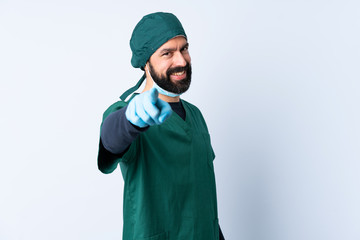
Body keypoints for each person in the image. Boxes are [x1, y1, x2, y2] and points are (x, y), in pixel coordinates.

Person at [97, 12, 225, 240]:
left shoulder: (196, 116)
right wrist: (129, 121)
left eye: (184, 48)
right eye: (167, 53)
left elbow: (204, 203)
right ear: (146, 62)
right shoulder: (129, 114)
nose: (182, 61)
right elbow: (110, 140)